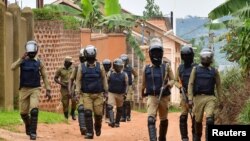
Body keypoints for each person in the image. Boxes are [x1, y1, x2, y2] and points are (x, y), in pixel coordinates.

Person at [11, 40, 52, 140]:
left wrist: (48, 89)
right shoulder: (23, 61)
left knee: (34, 110)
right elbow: (12, 67)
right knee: (23, 113)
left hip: (35, 88)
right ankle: (28, 125)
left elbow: (45, 76)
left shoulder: (39, 62)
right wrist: (21, 58)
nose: (32, 53)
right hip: (24, 89)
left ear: (36, 51)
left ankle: (33, 132)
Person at [141, 37, 175, 141]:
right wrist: (142, 94)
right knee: (151, 119)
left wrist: (167, 85)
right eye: (154, 52)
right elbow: (143, 83)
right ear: (150, 54)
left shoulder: (166, 67)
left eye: (158, 52)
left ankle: (162, 138)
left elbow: (173, 80)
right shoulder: (146, 68)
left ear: (161, 53)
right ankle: (153, 139)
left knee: (163, 120)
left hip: (164, 97)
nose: (156, 54)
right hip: (152, 97)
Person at [188, 48, 222, 141]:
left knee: (210, 119)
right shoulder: (195, 69)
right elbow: (190, 84)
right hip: (198, 98)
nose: (206, 59)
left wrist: (221, 100)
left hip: (210, 98)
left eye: (208, 57)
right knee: (197, 121)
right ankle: (197, 137)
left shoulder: (214, 71)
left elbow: (219, 86)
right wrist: (190, 99)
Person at [75, 45, 108, 139]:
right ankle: (90, 132)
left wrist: (106, 91)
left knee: (98, 114)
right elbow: (78, 81)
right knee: (88, 113)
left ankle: (98, 126)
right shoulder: (81, 67)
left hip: (98, 95)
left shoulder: (100, 66)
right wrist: (77, 93)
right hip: (86, 95)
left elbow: (104, 79)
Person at [175, 45, 196, 141]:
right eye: (185, 56)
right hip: (184, 95)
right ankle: (184, 137)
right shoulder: (180, 68)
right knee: (183, 116)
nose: (186, 58)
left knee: (195, 117)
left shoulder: (196, 67)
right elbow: (175, 80)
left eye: (188, 56)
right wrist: (180, 87)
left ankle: (195, 137)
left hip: (195, 96)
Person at [68, 48, 86, 135]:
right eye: (81, 58)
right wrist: (70, 91)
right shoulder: (77, 67)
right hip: (80, 91)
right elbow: (71, 79)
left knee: (89, 111)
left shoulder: (94, 66)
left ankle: (89, 126)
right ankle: (83, 127)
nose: (82, 59)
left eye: (84, 58)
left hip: (91, 92)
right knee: (81, 108)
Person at [107, 58, 128, 128]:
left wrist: (125, 93)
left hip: (121, 93)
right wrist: (106, 92)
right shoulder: (110, 73)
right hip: (111, 92)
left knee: (119, 108)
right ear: (114, 66)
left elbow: (126, 85)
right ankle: (112, 121)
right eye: (118, 66)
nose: (119, 68)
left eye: (120, 66)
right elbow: (106, 82)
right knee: (110, 106)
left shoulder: (124, 75)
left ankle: (117, 122)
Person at [120, 54, 138, 122]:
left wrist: (134, 83)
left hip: (129, 86)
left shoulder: (130, 68)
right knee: (122, 101)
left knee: (127, 101)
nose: (123, 62)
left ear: (127, 61)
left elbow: (136, 75)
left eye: (124, 61)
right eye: (122, 61)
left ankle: (128, 116)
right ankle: (123, 117)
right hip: (121, 87)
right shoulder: (119, 67)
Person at [102, 59, 112, 123]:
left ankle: (107, 117)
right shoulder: (101, 71)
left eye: (107, 65)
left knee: (108, 104)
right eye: (105, 65)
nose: (106, 66)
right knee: (101, 103)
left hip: (109, 90)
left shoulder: (111, 72)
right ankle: (101, 116)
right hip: (102, 89)